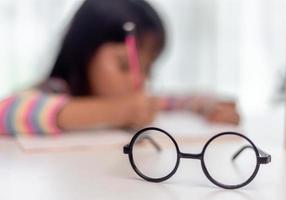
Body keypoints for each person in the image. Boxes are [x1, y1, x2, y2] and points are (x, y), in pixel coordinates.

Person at [0, 0, 239, 137]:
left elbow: (172, 100)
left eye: (148, 69)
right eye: (125, 65)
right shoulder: (56, 88)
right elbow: (6, 111)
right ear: (85, 52)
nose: (139, 80)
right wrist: (117, 111)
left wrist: (206, 105)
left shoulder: (134, 100)